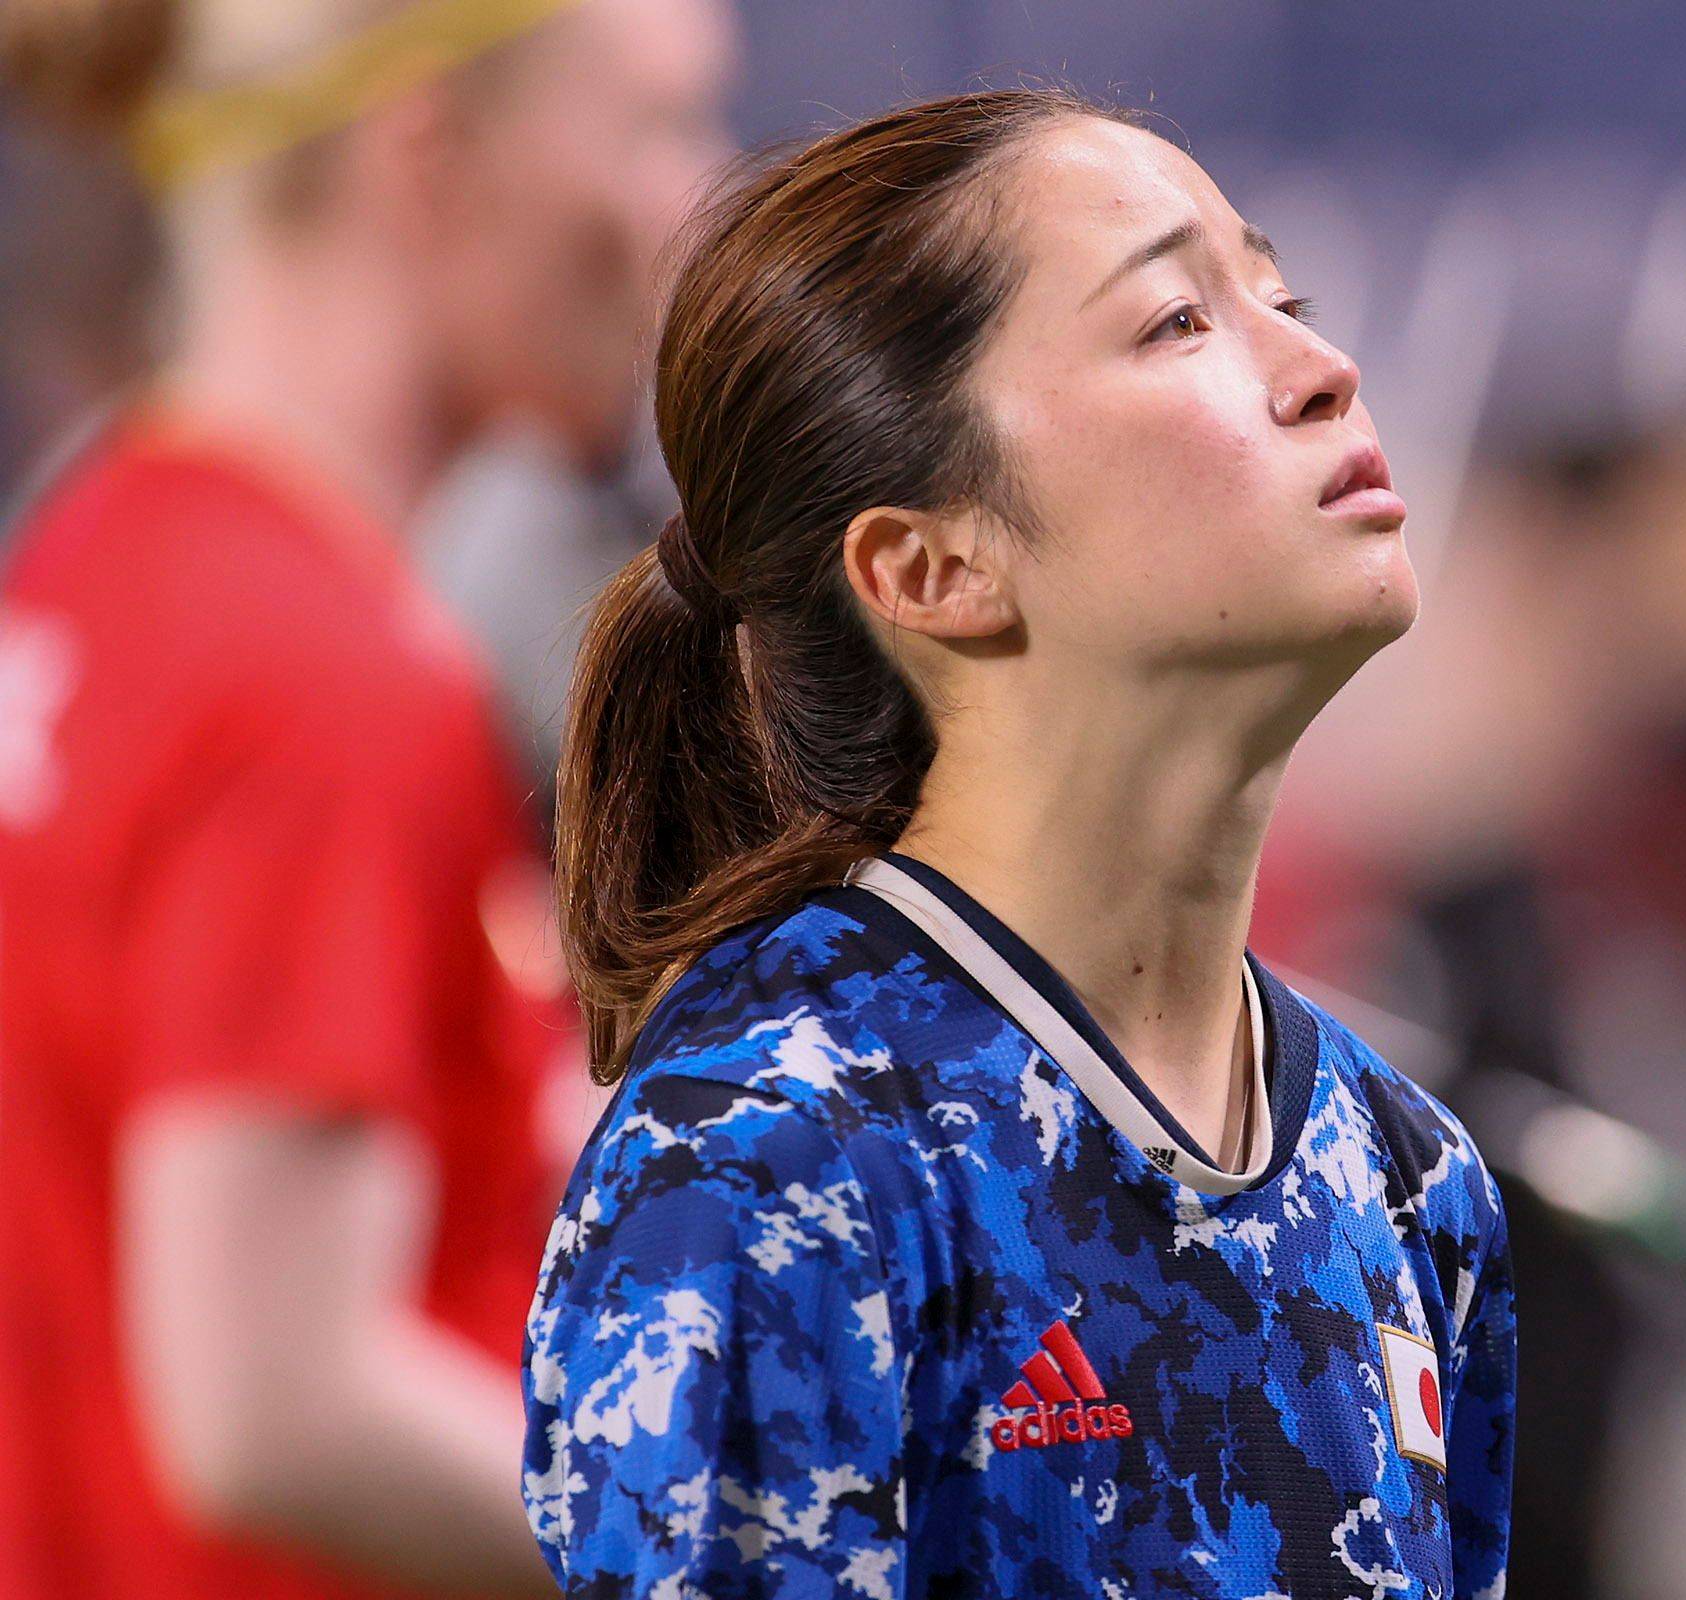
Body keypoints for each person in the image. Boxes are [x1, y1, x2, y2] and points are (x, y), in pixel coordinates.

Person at [520, 87, 1517, 1596]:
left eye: (1284, 296)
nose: (1324, 369)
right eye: (1181, 319)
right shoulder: (774, 1153)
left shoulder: (1407, 1182)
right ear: (931, 566)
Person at [0, 0, 734, 1594]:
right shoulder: (316, 677)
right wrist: (757, 1557)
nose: (695, 206)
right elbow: (273, 1408)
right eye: (656, 126)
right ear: (429, 155)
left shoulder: (108, 557)